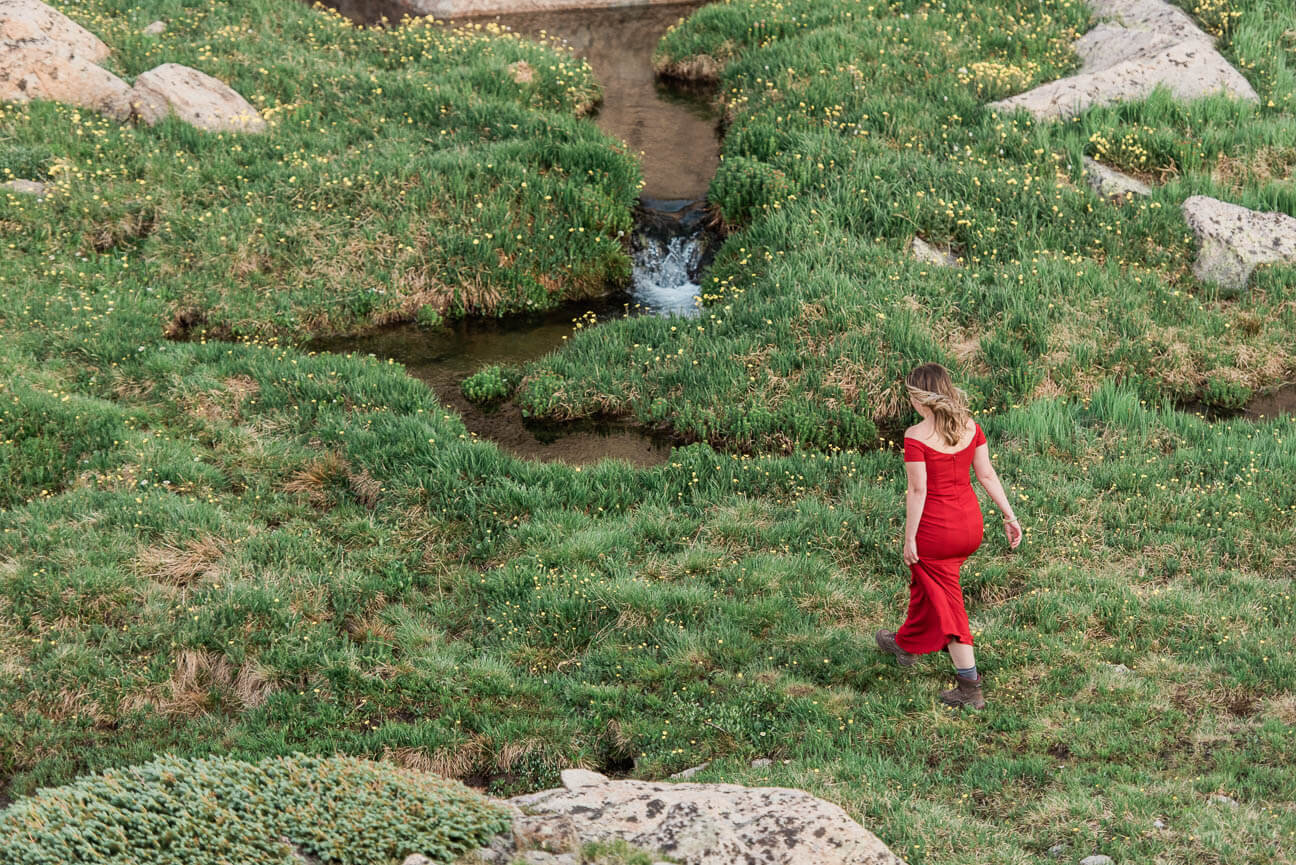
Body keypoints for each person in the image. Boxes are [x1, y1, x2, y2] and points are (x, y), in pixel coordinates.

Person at [875, 363, 1021, 709]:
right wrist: (1009, 514)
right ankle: (907, 644)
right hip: (969, 526)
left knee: (949, 605)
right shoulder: (970, 427)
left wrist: (910, 538)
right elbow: (986, 475)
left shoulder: (915, 436)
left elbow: (917, 491)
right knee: (925, 586)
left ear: (920, 398)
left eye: (911, 396)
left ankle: (969, 686)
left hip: (936, 532)